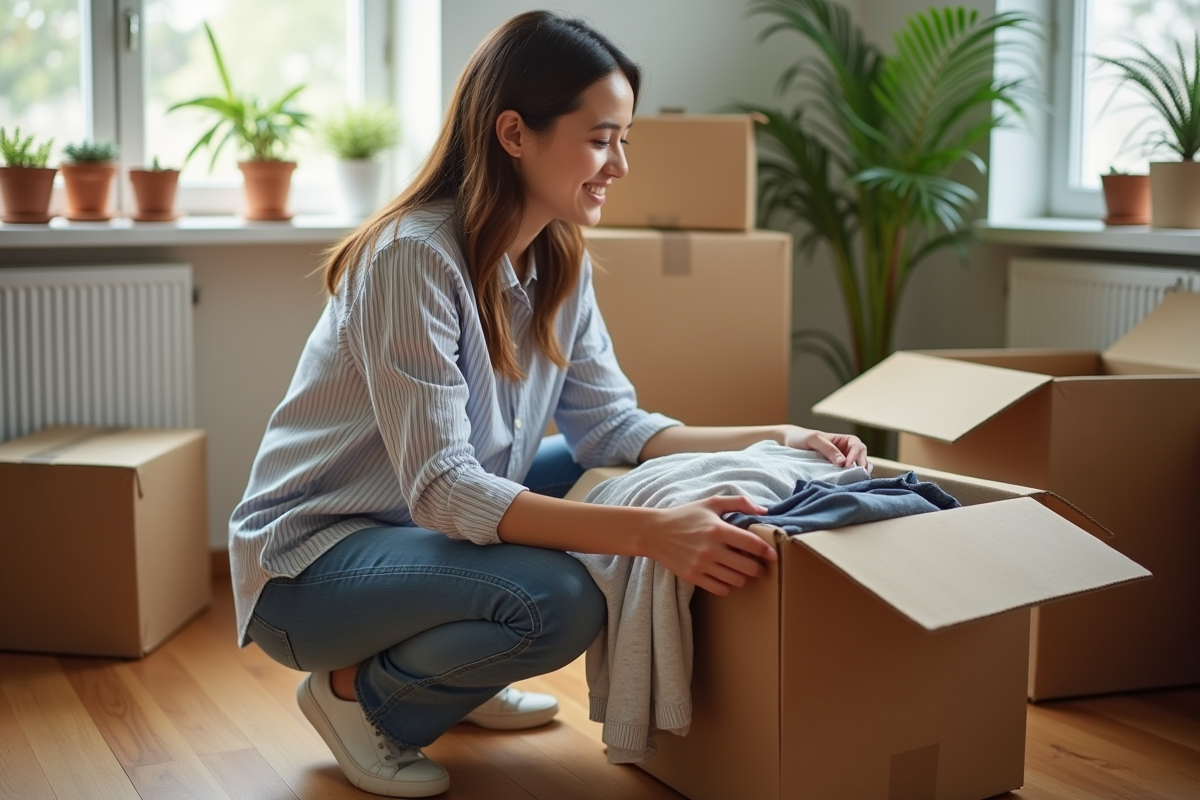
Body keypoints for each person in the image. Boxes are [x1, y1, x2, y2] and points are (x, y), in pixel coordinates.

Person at [229, 10, 869, 798]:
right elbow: (444, 490)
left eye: (624, 139)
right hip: (311, 572)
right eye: (602, 139)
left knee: (613, 475)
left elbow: (612, 431)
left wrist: (771, 433)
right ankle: (358, 699)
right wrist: (652, 536)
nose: (620, 165)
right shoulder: (410, 259)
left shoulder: (559, 261)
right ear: (514, 133)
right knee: (558, 602)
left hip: (413, 538)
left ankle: (451, 667)